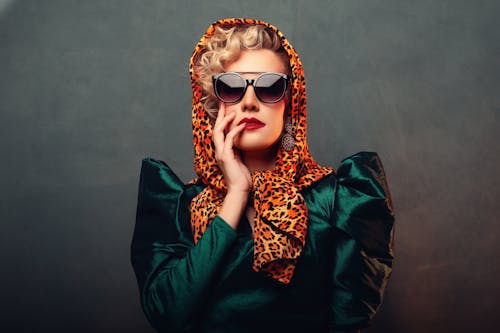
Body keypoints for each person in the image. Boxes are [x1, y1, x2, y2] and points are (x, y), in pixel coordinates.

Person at [131, 18, 395, 333]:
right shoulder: (179, 206)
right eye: (231, 87)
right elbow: (167, 314)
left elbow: (349, 320)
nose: (250, 101)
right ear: (214, 106)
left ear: (291, 103)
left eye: (270, 86)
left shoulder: (338, 200)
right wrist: (236, 195)